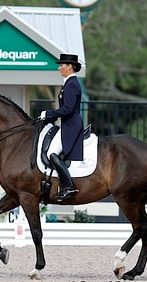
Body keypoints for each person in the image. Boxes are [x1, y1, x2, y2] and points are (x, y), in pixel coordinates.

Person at [39, 54, 84, 200]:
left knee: (52, 153)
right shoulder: (68, 83)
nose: (59, 68)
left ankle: (69, 187)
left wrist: (48, 113)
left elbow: (67, 109)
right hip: (66, 123)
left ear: (70, 66)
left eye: (61, 65)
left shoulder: (71, 85)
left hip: (71, 125)